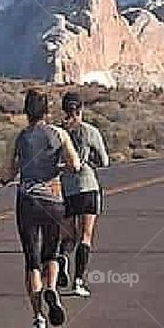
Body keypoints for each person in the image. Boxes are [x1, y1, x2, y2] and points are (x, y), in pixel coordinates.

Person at [1, 89, 81, 328]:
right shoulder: (59, 134)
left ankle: (38, 318)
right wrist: (56, 167)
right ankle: (51, 288)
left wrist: (12, 174)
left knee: (31, 260)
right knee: (52, 253)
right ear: (47, 111)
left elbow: (6, 174)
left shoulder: (20, 138)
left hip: (27, 201)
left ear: (26, 112)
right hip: (53, 201)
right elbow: (75, 165)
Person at [57, 92, 109, 298]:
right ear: (81, 109)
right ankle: (78, 281)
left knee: (68, 235)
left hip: (66, 188)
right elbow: (104, 161)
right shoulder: (90, 132)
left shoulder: (58, 133)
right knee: (85, 236)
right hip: (87, 186)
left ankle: (62, 257)